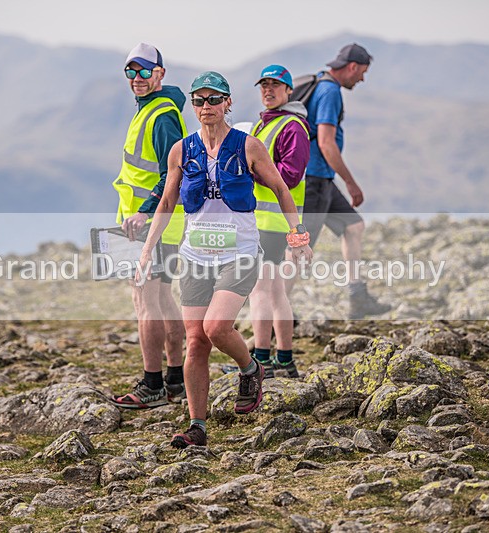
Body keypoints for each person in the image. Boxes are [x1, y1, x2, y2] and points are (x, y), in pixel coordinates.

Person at [135, 71, 313, 448]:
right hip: (195, 255)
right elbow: (167, 203)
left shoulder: (248, 146)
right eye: (199, 100)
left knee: (217, 328)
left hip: (241, 252)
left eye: (214, 99)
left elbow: (282, 188)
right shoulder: (181, 150)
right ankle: (197, 426)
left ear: (228, 102)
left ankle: (251, 368)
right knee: (196, 341)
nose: (206, 107)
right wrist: (149, 248)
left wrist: (297, 237)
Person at [287, 43, 391, 319]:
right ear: (353, 67)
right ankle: (275, 312)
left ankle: (358, 298)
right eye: (363, 72)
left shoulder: (320, 81)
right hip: (314, 181)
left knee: (354, 226)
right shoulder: (330, 91)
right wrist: (351, 182)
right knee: (298, 250)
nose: (362, 79)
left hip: (320, 179)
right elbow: (326, 143)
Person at [111, 43, 187, 409]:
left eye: (144, 71)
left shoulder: (161, 116)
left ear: (160, 73)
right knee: (161, 298)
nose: (137, 79)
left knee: (144, 301)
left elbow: (172, 173)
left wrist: (143, 210)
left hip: (148, 224)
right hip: (157, 224)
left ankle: (152, 385)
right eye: (131, 72)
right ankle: (175, 379)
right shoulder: (154, 110)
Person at [248, 65, 310, 379]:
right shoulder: (266, 124)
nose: (269, 90)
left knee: (261, 291)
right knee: (275, 292)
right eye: (264, 86)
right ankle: (284, 359)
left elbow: (292, 174)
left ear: (288, 91)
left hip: (272, 223)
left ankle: (261, 359)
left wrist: (252, 173)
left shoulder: (292, 126)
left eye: (276, 85)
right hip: (266, 220)